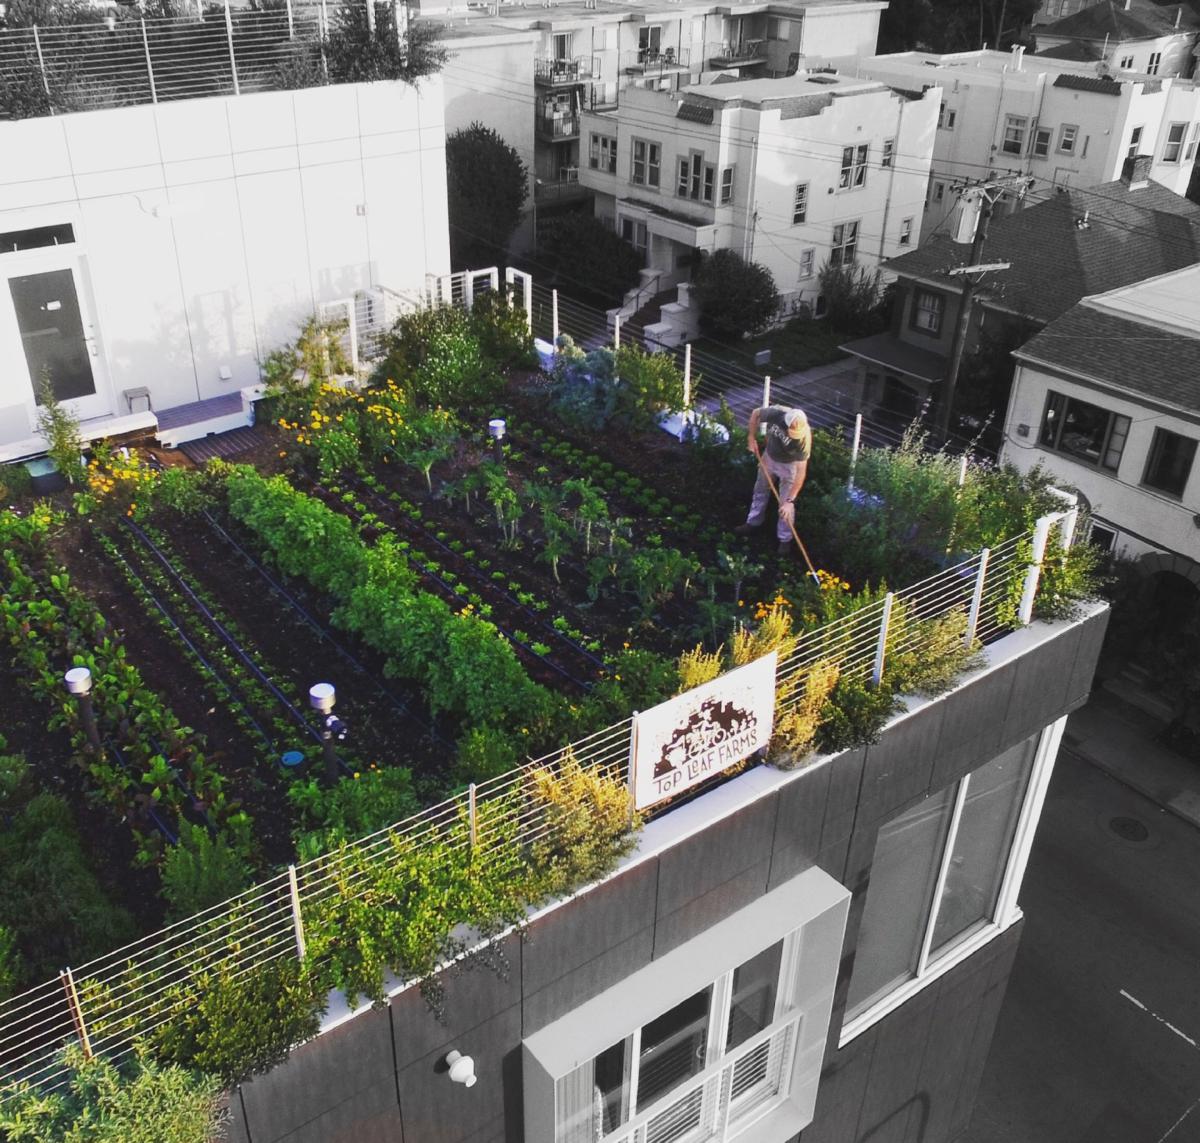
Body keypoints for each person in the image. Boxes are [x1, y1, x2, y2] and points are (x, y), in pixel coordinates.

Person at [735, 405, 811, 555]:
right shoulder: (778, 413)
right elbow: (755, 413)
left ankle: (785, 540)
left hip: (790, 467)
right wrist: (751, 437)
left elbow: (801, 472)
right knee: (760, 490)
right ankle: (753, 523)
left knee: (785, 507)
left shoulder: (803, 440)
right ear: (786, 422)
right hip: (769, 457)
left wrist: (790, 501)